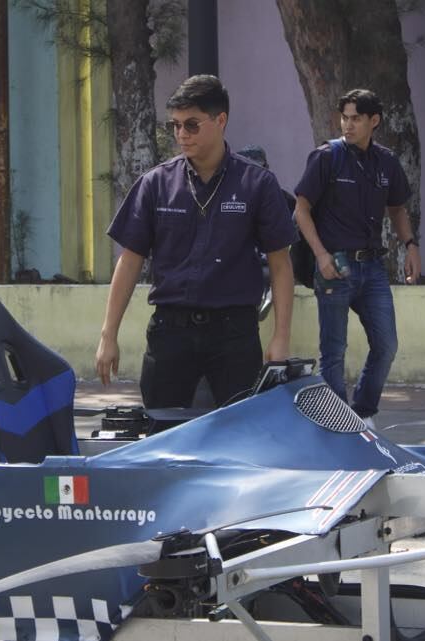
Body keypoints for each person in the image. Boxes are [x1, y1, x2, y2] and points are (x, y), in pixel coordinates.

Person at [95, 75, 297, 409]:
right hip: (170, 331)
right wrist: (108, 335)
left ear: (220, 120)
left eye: (191, 125)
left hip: (234, 333)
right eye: (174, 125)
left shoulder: (257, 183)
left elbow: (280, 264)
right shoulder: (156, 184)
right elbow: (129, 261)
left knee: (239, 432)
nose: (181, 135)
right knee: (162, 430)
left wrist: (281, 337)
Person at [292, 88, 421, 426]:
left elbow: (397, 208)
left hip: (372, 266)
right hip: (334, 264)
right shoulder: (326, 157)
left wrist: (410, 245)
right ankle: (339, 422)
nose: (347, 125)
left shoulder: (386, 161)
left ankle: (363, 412)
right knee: (333, 352)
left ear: (373, 121)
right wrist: (320, 256)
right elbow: (301, 210)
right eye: (344, 118)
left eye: (356, 119)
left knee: (386, 345)